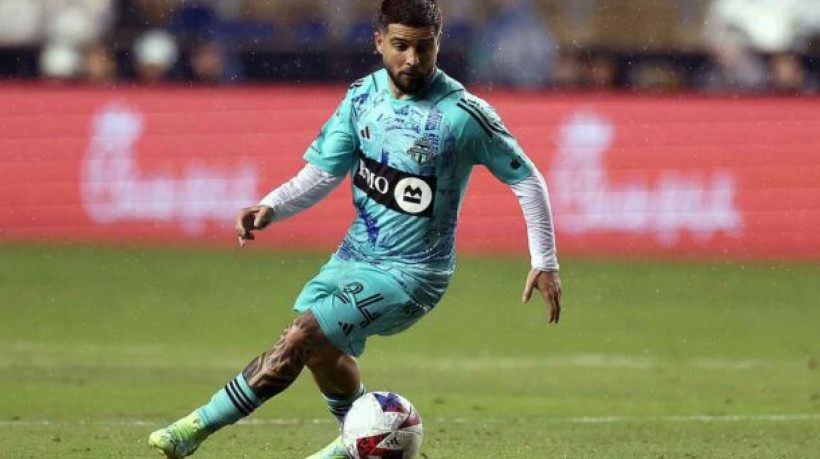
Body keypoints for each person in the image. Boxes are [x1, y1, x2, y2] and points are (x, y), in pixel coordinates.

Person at [148, 1, 562, 458]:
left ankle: (194, 428)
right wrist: (272, 205)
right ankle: (360, 443)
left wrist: (544, 260)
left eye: (425, 47)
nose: (412, 59)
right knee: (321, 353)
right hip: (354, 256)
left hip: (412, 275)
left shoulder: (463, 114)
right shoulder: (361, 98)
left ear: (438, 43)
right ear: (379, 40)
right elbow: (324, 173)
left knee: (302, 335)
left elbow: (526, 177)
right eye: (401, 46)